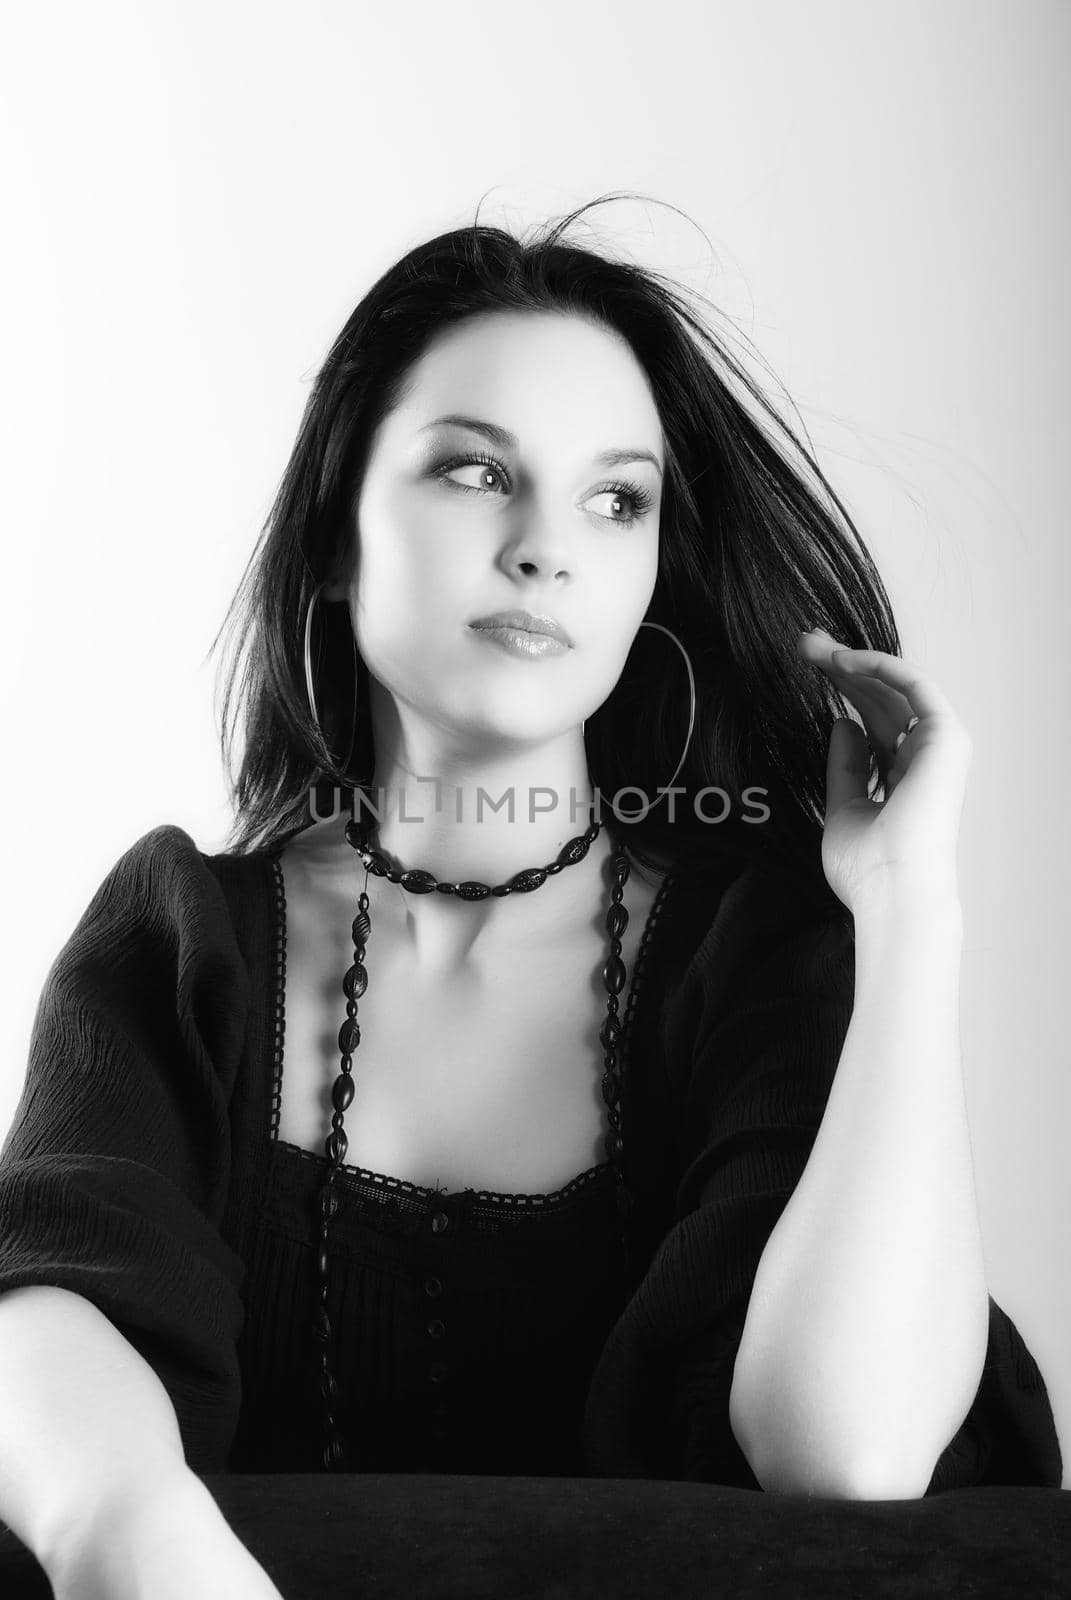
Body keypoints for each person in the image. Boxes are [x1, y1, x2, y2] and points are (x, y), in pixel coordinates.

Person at [0, 198, 1061, 1597]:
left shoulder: (760, 943)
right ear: (333, 537)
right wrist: (131, 1525)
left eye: (615, 498)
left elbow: (849, 1455)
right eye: (474, 473)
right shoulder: (184, 939)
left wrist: (912, 912)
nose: (547, 546)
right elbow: (49, 1313)